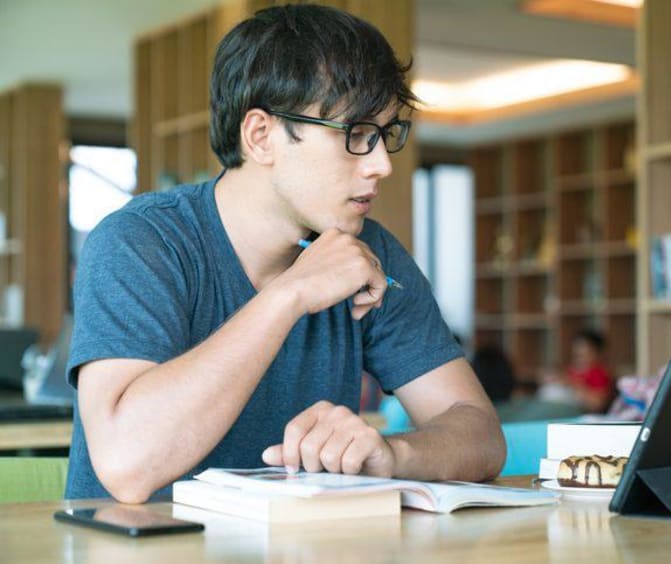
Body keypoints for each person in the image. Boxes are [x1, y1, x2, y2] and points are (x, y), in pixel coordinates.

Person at [64, 4, 505, 502]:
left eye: (384, 135)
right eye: (356, 135)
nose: (382, 163)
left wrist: (390, 454)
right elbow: (127, 465)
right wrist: (290, 294)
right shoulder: (140, 242)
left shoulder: (369, 249)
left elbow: (481, 435)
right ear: (261, 136)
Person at [565, 329, 615, 413]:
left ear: (597, 353)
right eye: (577, 355)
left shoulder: (598, 373)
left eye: (584, 354)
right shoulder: (571, 370)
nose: (580, 359)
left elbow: (597, 404)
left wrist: (574, 385)